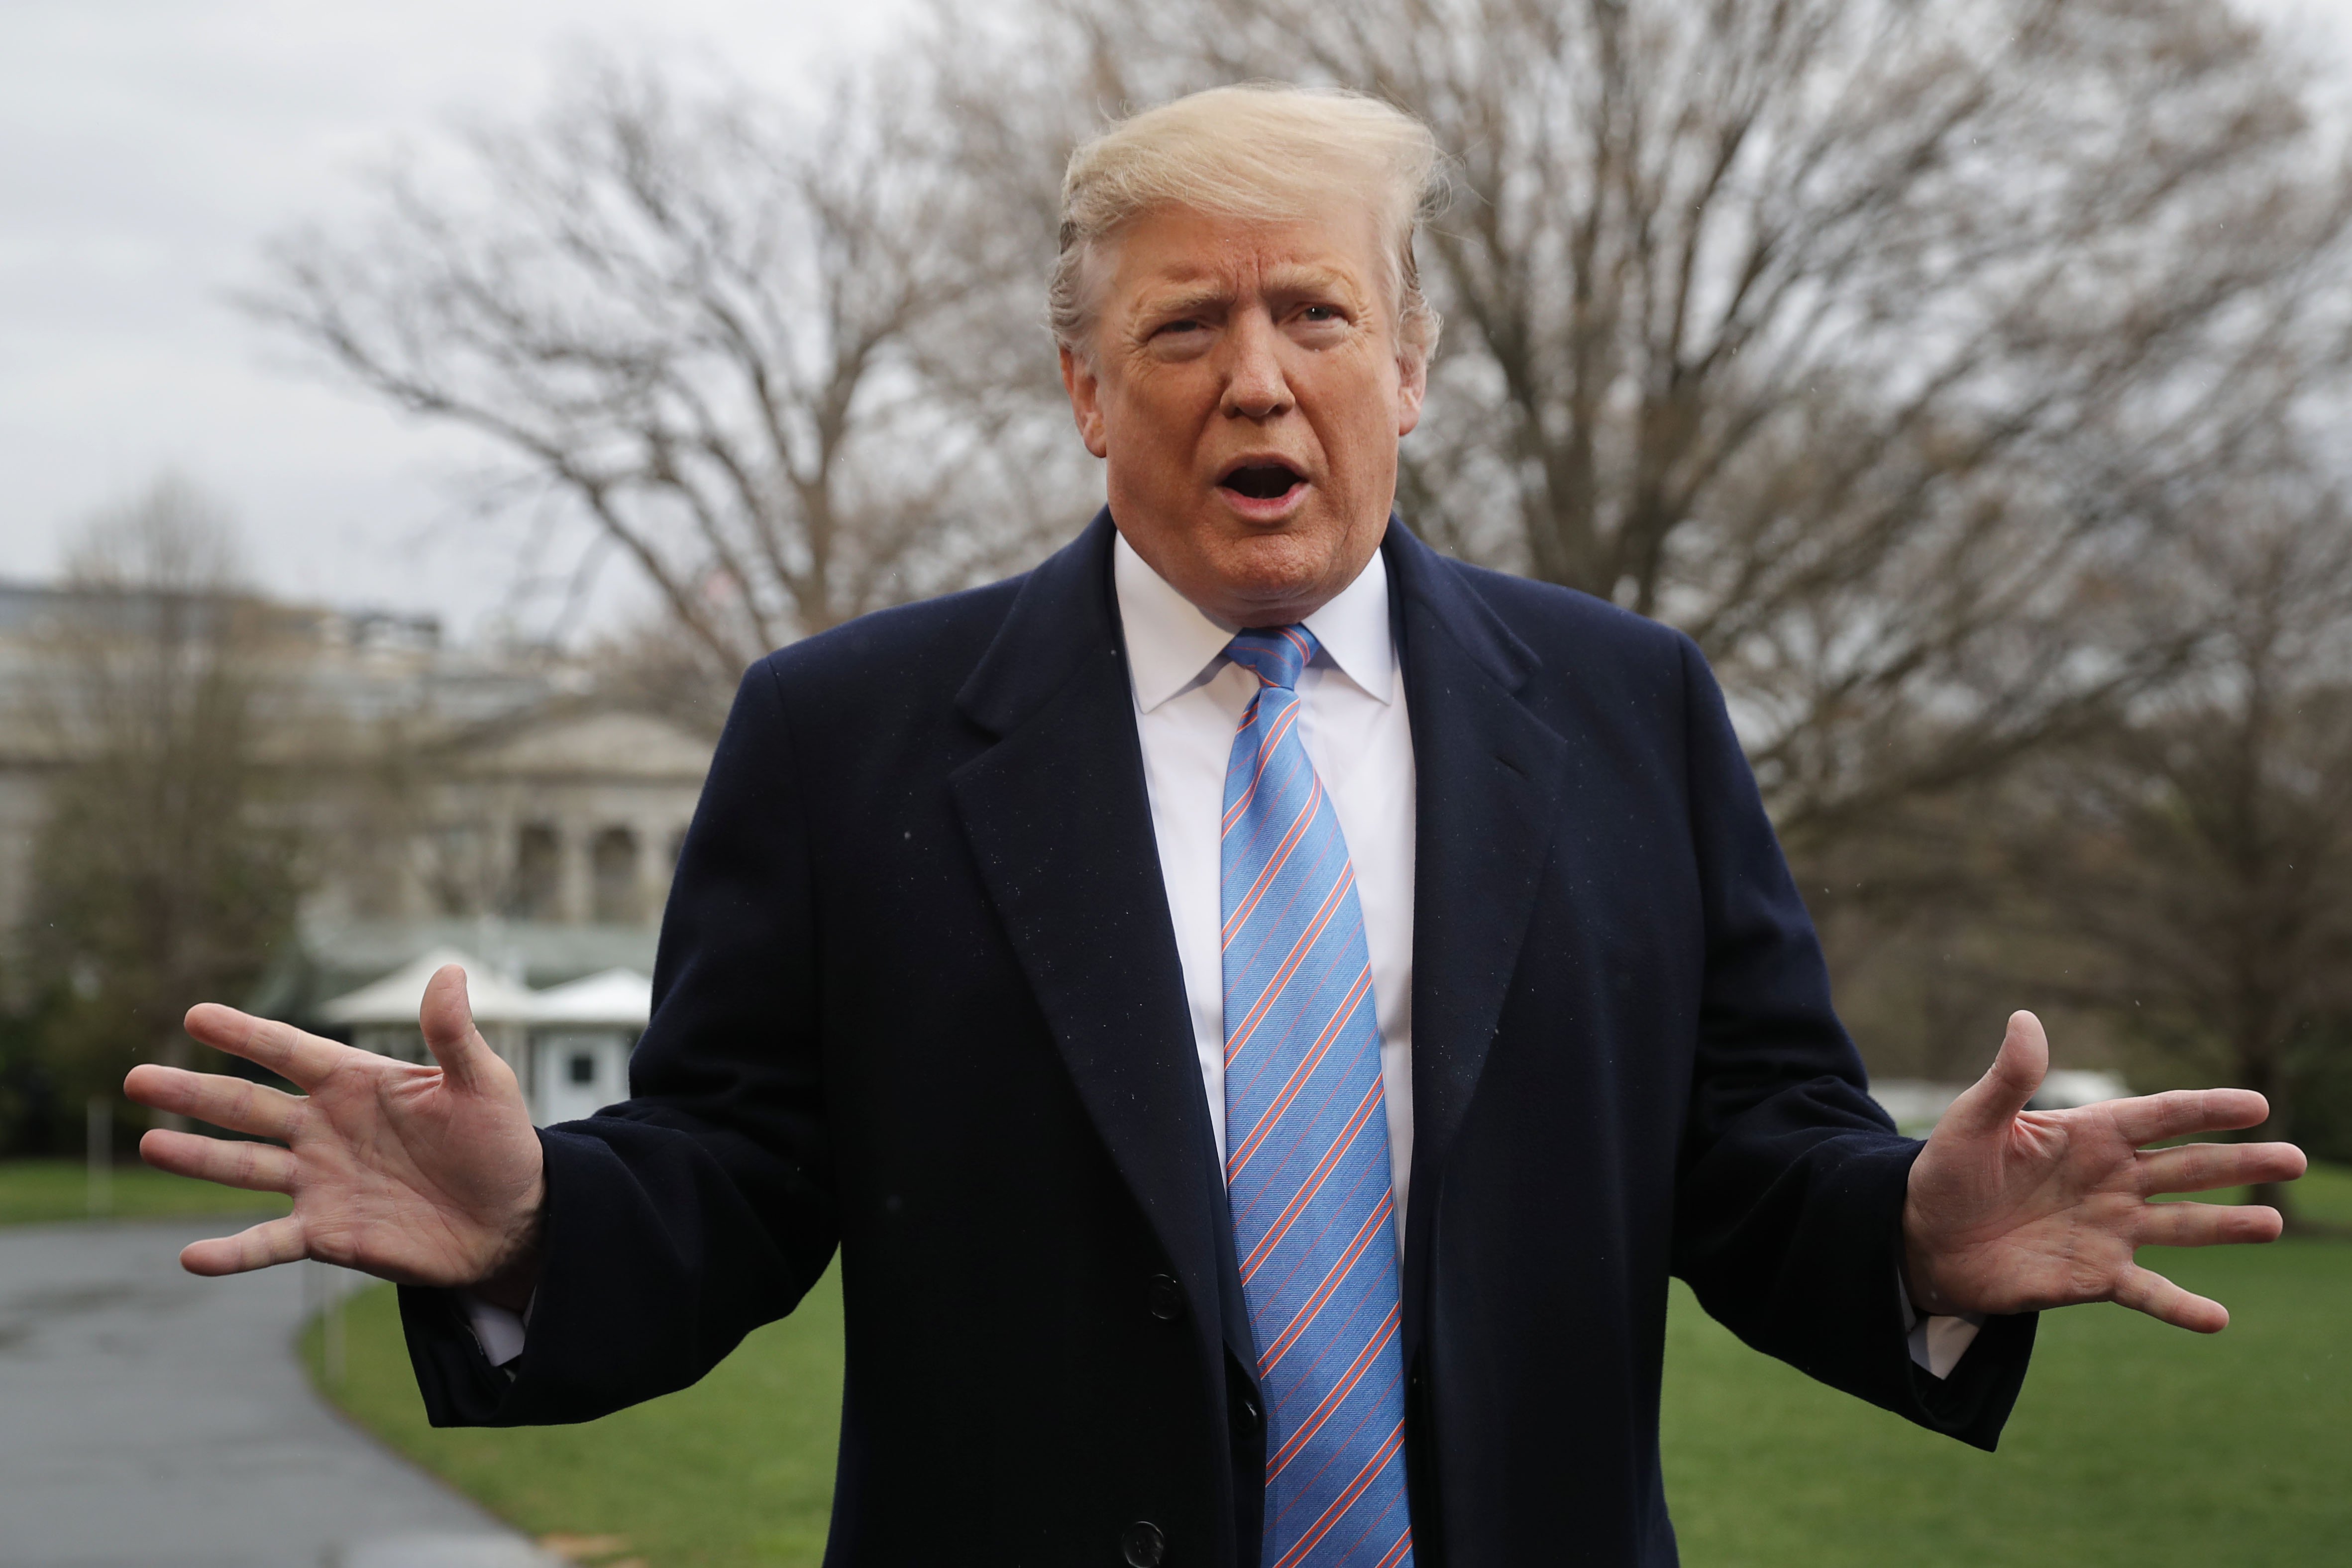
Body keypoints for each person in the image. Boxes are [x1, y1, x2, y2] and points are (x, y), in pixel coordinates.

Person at [126, 85, 2305, 1568]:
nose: (1258, 379)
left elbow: (1748, 1153)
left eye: (1316, 313)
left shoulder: (1631, 711)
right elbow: (736, 1174)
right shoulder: (848, 735)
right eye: (1187, 324)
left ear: (1413, 365)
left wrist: (1916, 1240)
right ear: (1089, 390)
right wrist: (534, 1225)